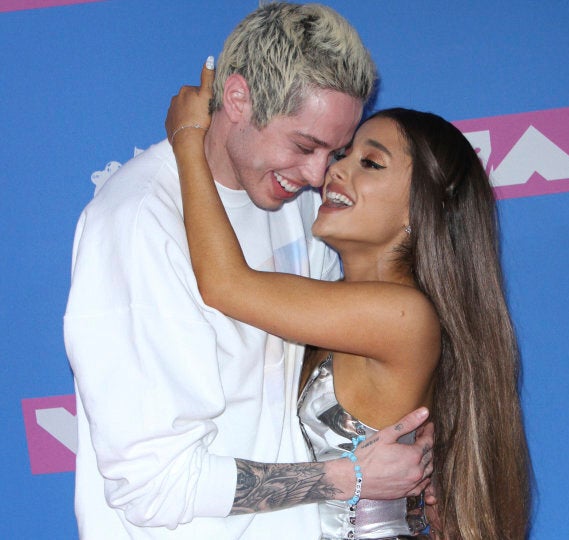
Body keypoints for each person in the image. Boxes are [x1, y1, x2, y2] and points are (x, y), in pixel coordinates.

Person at [64, 3, 434, 540]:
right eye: (304, 145)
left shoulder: (302, 204)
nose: (317, 174)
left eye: (336, 150)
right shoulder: (140, 221)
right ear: (237, 99)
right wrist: (349, 477)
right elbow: (154, 486)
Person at [165, 61, 532, 539]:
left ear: (418, 213)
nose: (335, 168)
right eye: (344, 153)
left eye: (370, 163)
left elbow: (225, 284)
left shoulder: (400, 314)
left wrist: (188, 137)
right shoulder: (342, 305)